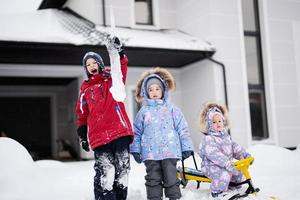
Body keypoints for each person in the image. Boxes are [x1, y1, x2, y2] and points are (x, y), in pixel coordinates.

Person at [75, 36, 133, 200]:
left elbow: (121, 67)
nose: (92, 66)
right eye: (88, 64)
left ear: (100, 64)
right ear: (86, 69)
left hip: (119, 132)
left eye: (94, 63)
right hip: (99, 137)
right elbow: (82, 115)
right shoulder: (85, 90)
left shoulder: (113, 80)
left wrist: (119, 53)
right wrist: (82, 136)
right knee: (105, 173)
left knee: (122, 171)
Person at [130, 67, 194, 200]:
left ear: (163, 90)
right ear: (146, 92)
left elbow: (182, 129)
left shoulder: (172, 110)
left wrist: (187, 147)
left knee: (171, 178)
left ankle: (174, 198)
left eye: (157, 88)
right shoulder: (143, 112)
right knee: (153, 179)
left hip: (169, 152)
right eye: (150, 89)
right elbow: (136, 132)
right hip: (150, 153)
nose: (154, 92)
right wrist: (135, 149)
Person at [198, 102, 251, 200]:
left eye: (219, 121)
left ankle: (232, 187)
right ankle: (217, 192)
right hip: (211, 166)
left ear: (223, 121)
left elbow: (235, 148)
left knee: (238, 172)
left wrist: (245, 155)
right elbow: (213, 154)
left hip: (226, 165)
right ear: (209, 124)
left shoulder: (226, 137)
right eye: (214, 122)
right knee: (223, 174)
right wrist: (226, 163)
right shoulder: (209, 139)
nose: (217, 123)